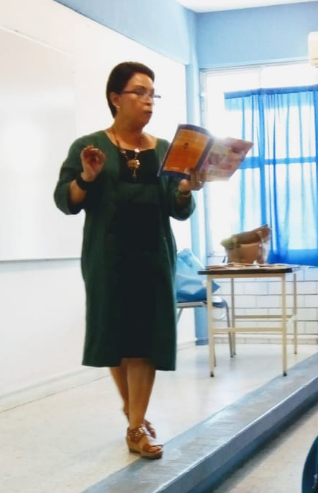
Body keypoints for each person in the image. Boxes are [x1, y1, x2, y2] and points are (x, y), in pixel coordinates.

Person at [54, 61, 204, 460]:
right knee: (117, 341)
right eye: (139, 92)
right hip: (107, 256)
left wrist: (187, 189)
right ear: (115, 98)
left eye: (153, 93)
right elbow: (65, 202)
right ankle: (132, 412)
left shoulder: (165, 151)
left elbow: (177, 209)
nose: (148, 101)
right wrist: (86, 176)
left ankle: (136, 426)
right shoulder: (89, 147)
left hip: (154, 255)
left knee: (145, 342)